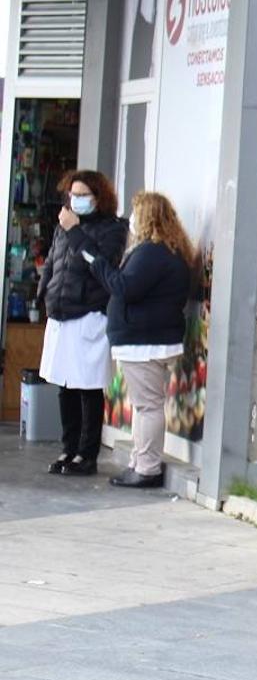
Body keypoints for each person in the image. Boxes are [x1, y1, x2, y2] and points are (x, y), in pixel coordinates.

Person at [85, 192, 193, 489]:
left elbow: (125, 288)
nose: (130, 219)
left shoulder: (152, 252)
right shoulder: (164, 251)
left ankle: (147, 467)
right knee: (146, 405)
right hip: (147, 341)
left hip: (145, 344)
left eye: (135, 212)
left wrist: (98, 265)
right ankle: (140, 461)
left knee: (147, 407)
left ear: (145, 217)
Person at [37, 170, 129, 477]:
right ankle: (69, 448)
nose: (75, 200)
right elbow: (53, 261)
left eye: (83, 195)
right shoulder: (63, 226)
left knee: (87, 386)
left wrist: (76, 231)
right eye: (72, 195)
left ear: (98, 198)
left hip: (88, 313)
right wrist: (44, 292)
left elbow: (99, 263)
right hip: (60, 311)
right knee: (64, 384)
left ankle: (87, 455)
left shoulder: (112, 229)